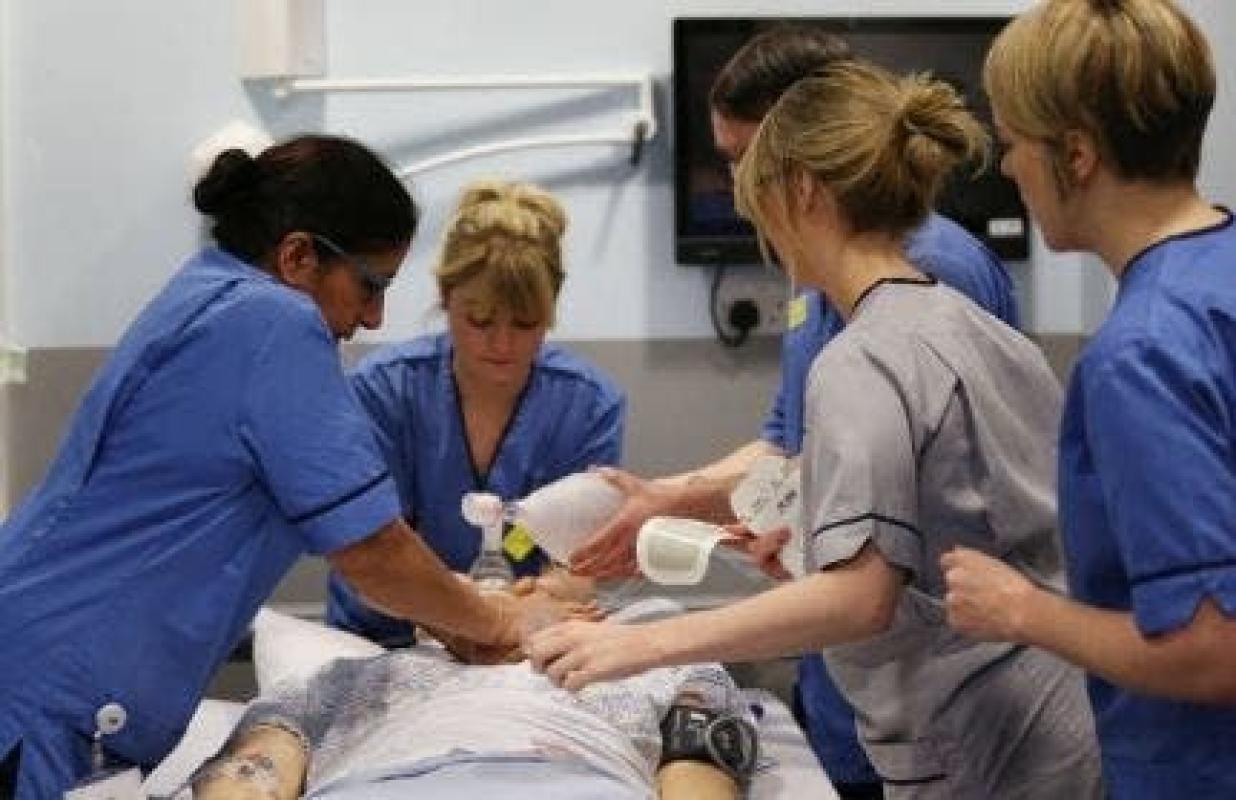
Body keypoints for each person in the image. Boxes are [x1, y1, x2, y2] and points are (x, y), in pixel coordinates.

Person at [531, 60, 1104, 798]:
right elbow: (969, 520)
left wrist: (635, 645)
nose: (762, 234)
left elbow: (860, 599)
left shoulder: (864, 357)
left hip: (988, 742)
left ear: (801, 190)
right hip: (1064, 720)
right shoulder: (975, 332)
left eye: (756, 199)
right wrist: (813, 542)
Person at [0, 135, 566, 799]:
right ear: (298, 256)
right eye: (370, 285)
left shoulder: (208, 294)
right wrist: (498, 622)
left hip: (48, 671)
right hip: (45, 702)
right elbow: (373, 552)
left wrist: (458, 622)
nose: (373, 317)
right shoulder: (274, 323)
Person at [938, 1, 1236, 797]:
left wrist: (1019, 610)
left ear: (1075, 155)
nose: (1008, 170)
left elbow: (1213, 650)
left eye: (1012, 145)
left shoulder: (1143, 353)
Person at [326, 180, 626, 647]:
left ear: (551, 306)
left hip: (525, 640)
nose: (502, 344)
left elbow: (581, 563)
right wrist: (473, 616)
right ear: (445, 296)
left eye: (525, 323)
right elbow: (370, 557)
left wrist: (527, 609)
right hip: (385, 640)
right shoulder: (384, 392)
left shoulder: (588, 406)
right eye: (480, 321)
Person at [192, 600, 756, 800]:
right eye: (468, 593)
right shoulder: (363, 673)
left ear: (583, 615)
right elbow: (257, 763)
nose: (494, 597)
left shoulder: (645, 664)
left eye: (526, 589)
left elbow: (700, 766)